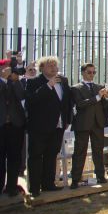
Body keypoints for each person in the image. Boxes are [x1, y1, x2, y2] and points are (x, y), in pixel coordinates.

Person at [25, 56, 73, 197]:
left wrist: (67, 119)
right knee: (36, 156)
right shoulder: (34, 82)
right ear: (42, 68)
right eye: (50, 65)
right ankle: (34, 187)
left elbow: (67, 102)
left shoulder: (63, 81)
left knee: (51, 155)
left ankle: (48, 184)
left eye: (55, 65)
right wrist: (48, 86)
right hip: (39, 127)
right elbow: (31, 101)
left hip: (58, 126)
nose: (54, 68)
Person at [70, 63, 108, 188]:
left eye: (94, 72)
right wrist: (98, 97)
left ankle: (100, 176)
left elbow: (104, 106)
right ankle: (76, 179)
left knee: (98, 150)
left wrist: (106, 98)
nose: (92, 75)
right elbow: (80, 104)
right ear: (83, 72)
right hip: (83, 124)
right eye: (89, 72)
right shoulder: (76, 88)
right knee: (79, 151)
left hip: (97, 123)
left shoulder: (99, 86)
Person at [0, 59, 26, 197]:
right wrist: (3, 79)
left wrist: (15, 80)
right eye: (6, 68)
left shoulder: (17, 82)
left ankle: (11, 187)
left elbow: (22, 96)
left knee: (14, 157)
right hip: (1, 125)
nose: (9, 70)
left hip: (15, 125)